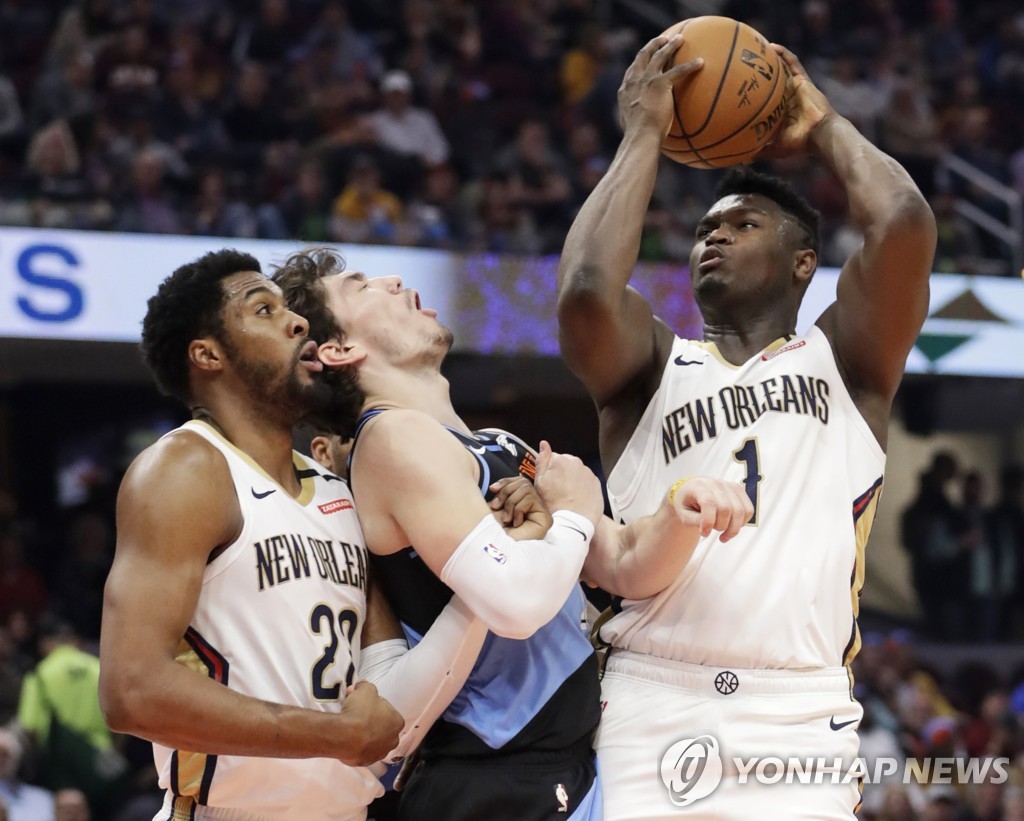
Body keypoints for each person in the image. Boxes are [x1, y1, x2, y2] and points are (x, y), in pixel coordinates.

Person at [556, 34, 936, 821]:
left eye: (744, 223)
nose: (715, 236)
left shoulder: (847, 362)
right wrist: (644, 134)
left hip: (799, 706)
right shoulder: (650, 366)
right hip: (651, 692)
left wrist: (822, 122)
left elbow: (903, 224)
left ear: (803, 262)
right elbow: (587, 291)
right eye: (705, 229)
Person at [273, 248, 752, 821]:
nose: (394, 280)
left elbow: (625, 564)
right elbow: (515, 604)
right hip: (491, 773)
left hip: (561, 764)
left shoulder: (495, 443)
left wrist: (682, 509)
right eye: (361, 286)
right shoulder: (389, 438)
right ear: (338, 350)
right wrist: (574, 515)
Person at [98, 250, 485, 821]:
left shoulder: (338, 490)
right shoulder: (186, 470)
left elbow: (384, 688)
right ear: (208, 354)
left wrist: (494, 564)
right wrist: (333, 736)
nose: (298, 322)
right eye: (264, 310)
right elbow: (131, 691)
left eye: (289, 308)